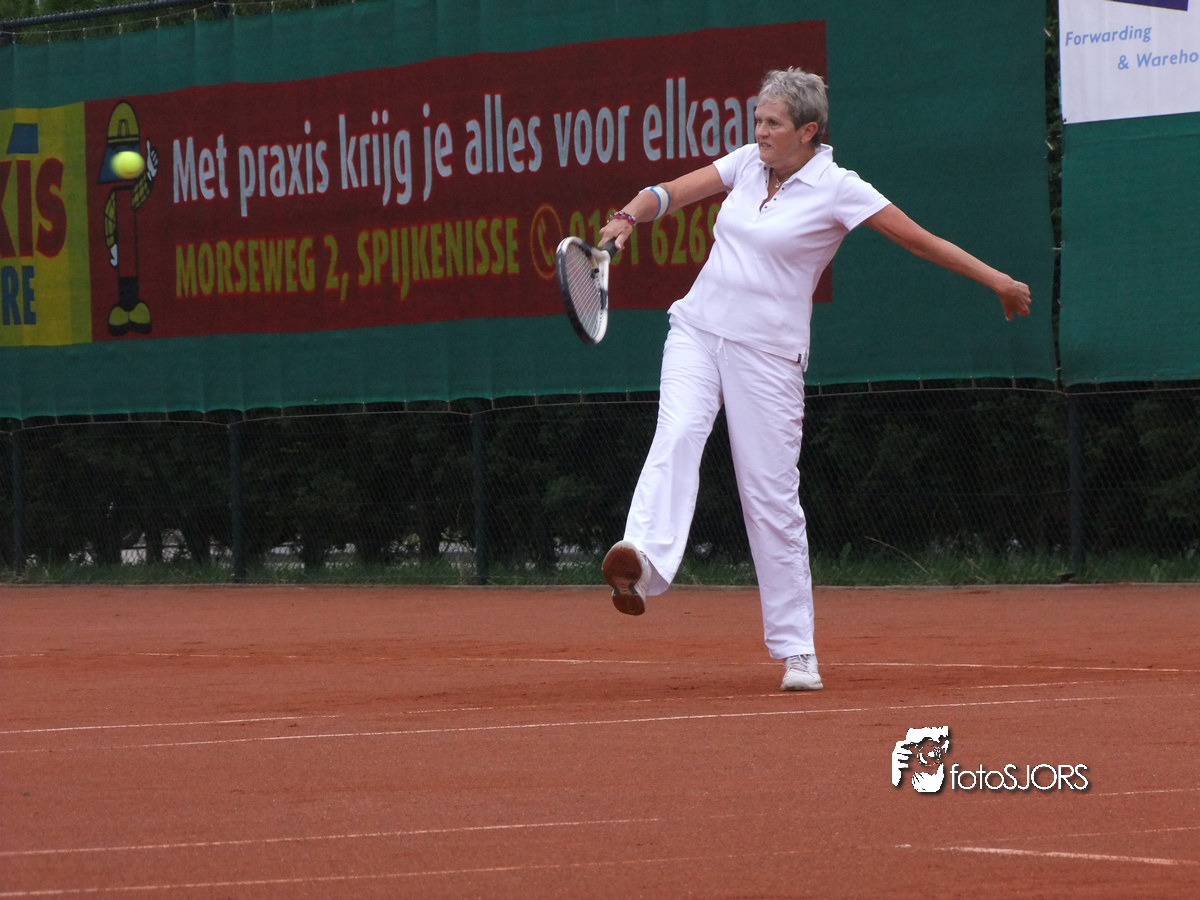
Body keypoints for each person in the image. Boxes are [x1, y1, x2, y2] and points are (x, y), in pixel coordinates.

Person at [596, 68, 1031, 692]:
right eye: (758, 119)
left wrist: (998, 281)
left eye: (772, 123)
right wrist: (627, 219)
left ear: (808, 131)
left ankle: (797, 651)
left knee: (770, 498)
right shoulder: (747, 163)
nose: (760, 131)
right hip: (697, 330)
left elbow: (920, 242)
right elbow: (668, 192)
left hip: (769, 356)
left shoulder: (839, 189)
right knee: (679, 432)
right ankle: (640, 561)